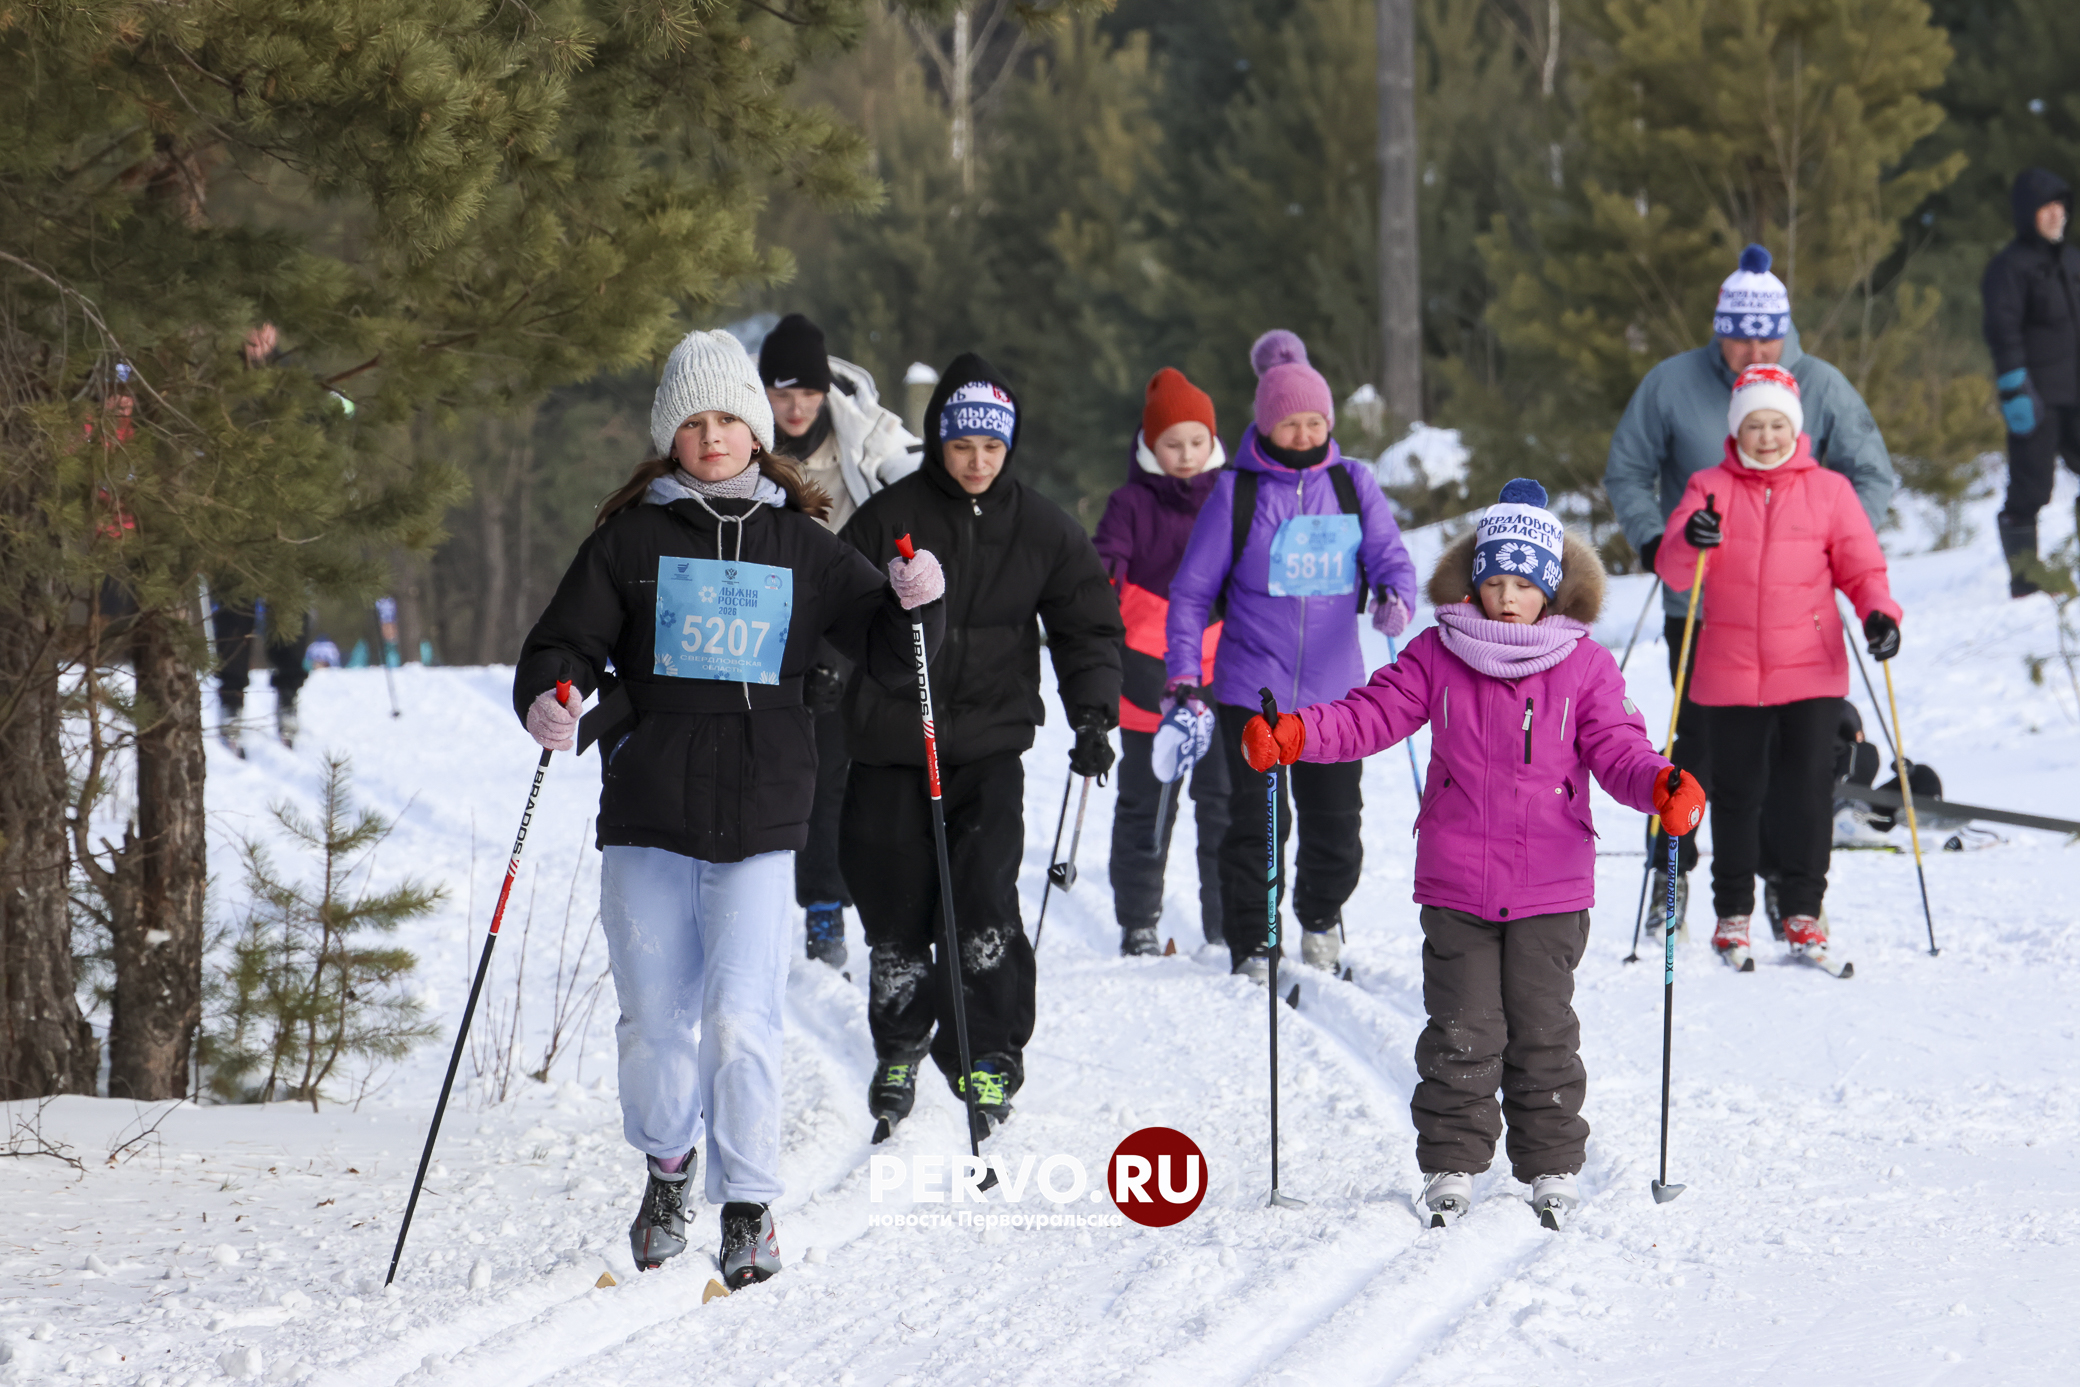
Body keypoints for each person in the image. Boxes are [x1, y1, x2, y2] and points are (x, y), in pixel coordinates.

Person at [512, 328, 945, 1286]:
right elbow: (562, 645)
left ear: (758, 433)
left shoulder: (802, 544)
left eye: (729, 421)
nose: (713, 438)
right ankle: (669, 1167)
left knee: (744, 1017)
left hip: (758, 815)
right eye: (694, 423)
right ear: (671, 436)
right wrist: (552, 694)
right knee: (655, 1022)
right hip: (647, 811)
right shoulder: (627, 541)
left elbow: (884, 639)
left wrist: (918, 601)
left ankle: (748, 1206)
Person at [1239, 478, 1703, 1230]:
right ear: (1475, 581)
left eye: (1524, 584)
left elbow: (1618, 747)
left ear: (1550, 590)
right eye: (1495, 581)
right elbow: (1371, 714)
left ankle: (1551, 1159)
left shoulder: (1584, 667)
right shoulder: (1438, 653)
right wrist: (1295, 734)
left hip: (1552, 885)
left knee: (1543, 1027)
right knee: (1462, 1026)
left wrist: (1659, 784)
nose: (1508, 597)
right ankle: (1451, 1159)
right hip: (1457, 881)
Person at [838, 353, 1122, 1140]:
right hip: (893, 744)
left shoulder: (1043, 529)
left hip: (989, 751)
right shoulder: (891, 519)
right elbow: (837, 614)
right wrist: (826, 686)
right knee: (895, 912)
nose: (976, 461)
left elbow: (1086, 624)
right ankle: (900, 1043)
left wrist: (1094, 714)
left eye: (992, 448)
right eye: (963, 446)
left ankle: (987, 1050)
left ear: (1010, 448)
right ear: (939, 442)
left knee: (984, 908)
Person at [1604, 243, 1896, 937]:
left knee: (1786, 760)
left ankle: (1776, 887)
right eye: (1739, 332)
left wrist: (1823, 551)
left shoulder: (1819, 384)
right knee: (1699, 749)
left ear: (1785, 328)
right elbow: (1627, 471)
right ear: (1719, 328)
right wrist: (1654, 542)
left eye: (1767, 332)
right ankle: (1673, 872)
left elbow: (1872, 477)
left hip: (1798, 615)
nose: (1754, 345)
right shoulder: (1672, 384)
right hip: (1700, 602)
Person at [1164, 330, 1418, 979]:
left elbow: (1390, 560)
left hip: (1337, 696)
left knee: (1337, 828)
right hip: (1254, 688)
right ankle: (1254, 940)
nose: (1305, 433)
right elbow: (1192, 592)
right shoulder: (1237, 491)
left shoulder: (1354, 482)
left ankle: (1319, 913)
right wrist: (1186, 672)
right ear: (1268, 423)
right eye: (1291, 422)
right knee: (1257, 826)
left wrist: (1395, 599)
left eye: (1315, 422)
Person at [1654, 364, 1900, 970]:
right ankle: (1731, 915)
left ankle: (1802, 912)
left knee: (1807, 796)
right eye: (1754, 424)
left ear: (1795, 426)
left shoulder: (1830, 491)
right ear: (1737, 428)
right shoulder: (1708, 487)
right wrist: (1691, 535)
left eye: (1777, 423)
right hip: (1729, 669)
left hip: (1810, 671)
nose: (1766, 435)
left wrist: (1879, 614)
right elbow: (1673, 569)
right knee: (1736, 795)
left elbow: (1863, 569)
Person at [758, 313, 925, 970]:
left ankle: (828, 907)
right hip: (766, 621)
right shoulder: (744, 443)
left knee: (839, 774)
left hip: (849, 621)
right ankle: (763, 896)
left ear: (827, 388)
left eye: (807, 391)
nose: (795, 406)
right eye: (781, 392)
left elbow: (919, 480)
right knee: (776, 772)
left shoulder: (866, 437)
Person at [1093, 367, 1229, 956]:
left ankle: (1226, 919)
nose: (1186, 455)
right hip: (1148, 666)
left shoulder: (1229, 496)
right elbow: (1105, 555)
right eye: (1172, 443)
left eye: (1196, 442)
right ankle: (1139, 917)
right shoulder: (1129, 502)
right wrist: (1103, 577)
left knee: (1222, 800)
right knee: (1147, 799)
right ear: (1150, 446)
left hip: (1222, 666)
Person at [1982, 168, 2080, 597]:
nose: (2057, 215)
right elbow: (2003, 331)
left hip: (2078, 393)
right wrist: (2014, 386)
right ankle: (2026, 578)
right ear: (2028, 213)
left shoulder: (2074, 260)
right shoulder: (2008, 268)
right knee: (2031, 488)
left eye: (2062, 206)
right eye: (2047, 207)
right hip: (2036, 396)